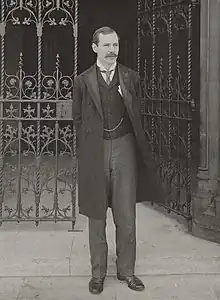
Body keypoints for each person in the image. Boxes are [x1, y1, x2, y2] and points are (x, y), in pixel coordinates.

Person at [73, 26, 164, 294]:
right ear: (94, 48)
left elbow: (140, 114)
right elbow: (77, 119)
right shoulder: (82, 81)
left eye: (115, 45)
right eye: (107, 46)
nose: (112, 50)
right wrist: (88, 148)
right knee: (96, 213)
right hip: (96, 149)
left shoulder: (131, 78)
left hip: (124, 146)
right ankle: (98, 273)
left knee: (126, 213)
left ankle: (127, 271)